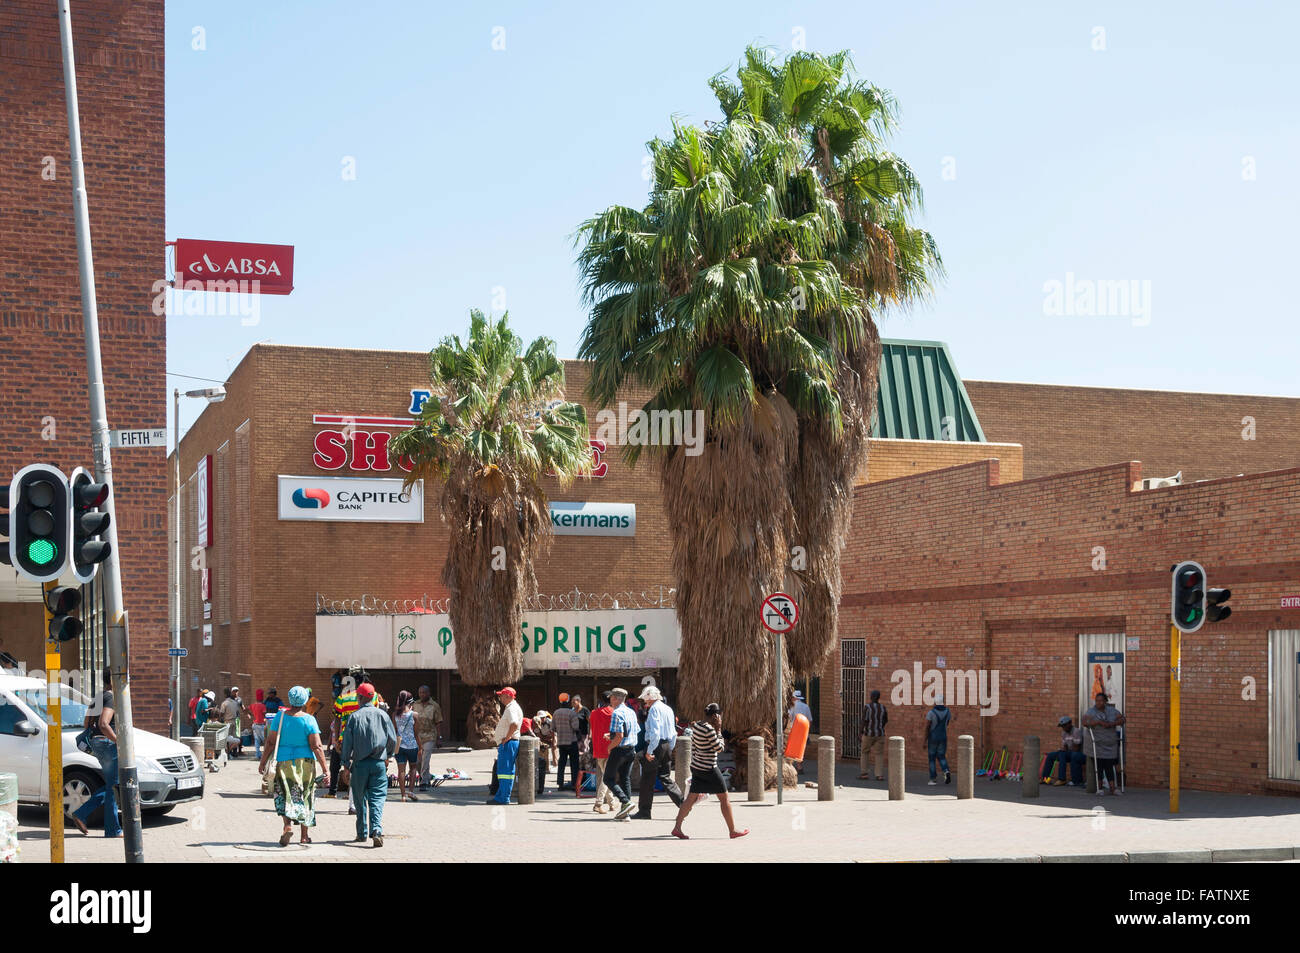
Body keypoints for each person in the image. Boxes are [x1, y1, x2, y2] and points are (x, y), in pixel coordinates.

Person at [259, 685, 329, 847]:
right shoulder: (309, 719)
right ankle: (304, 836)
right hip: (305, 764)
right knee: (305, 795)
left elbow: (270, 742)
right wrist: (326, 770)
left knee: (284, 794)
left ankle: (287, 826)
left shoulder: (280, 717)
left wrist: (263, 762)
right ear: (305, 700)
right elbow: (317, 746)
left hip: (283, 763)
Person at [670, 703, 748, 840]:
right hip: (709, 768)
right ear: (715, 716)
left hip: (697, 766)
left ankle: (677, 828)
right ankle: (733, 830)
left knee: (690, 798)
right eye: (719, 717)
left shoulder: (698, 726)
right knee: (724, 798)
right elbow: (720, 748)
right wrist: (719, 730)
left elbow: (695, 746)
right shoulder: (709, 730)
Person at [341, 683, 398, 846]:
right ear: (372, 697)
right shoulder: (383, 715)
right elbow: (392, 740)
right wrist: (388, 756)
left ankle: (362, 834)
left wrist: (345, 764)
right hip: (379, 764)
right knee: (377, 799)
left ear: (360, 698)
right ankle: (377, 831)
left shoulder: (354, 717)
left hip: (360, 765)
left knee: (360, 800)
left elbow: (347, 744)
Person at [70, 668, 121, 838]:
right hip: (107, 743)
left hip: (97, 743)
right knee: (113, 787)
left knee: (111, 785)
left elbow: (86, 724)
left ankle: (82, 814)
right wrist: (119, 742)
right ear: (113, 680)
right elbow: (104, 724)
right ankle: (112, 829)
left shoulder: (98, 696)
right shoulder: (111, 697)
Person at [632, 685, 683, 820]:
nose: (644, 701)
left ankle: (644, 811)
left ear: (650, 697)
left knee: (647, 779)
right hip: (666, 745)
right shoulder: (668, 709)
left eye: (645, 698)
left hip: (656, 746)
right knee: (665, 777)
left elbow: (655, 732)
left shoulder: (654, 709)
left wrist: (649, 750)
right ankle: (684, 804)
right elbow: (673, 732)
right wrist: (669, 748)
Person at [602, 687, 639, 819]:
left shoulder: (616, 713)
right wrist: (611, 736)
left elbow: (619, 736)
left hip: (619, 750)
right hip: (631, 749)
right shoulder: (631, 712)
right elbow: (633, 731)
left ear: (615, 698)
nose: (610, 701)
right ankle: (626, 812)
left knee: (608, 778)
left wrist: (610, 747)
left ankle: (625, 801)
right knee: (625, 779)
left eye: (611, 698)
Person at [1082, 692, 1126, 795]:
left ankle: (1112, 788)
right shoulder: (1091, 711)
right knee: (1099, 766)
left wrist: (1113, 723)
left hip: (1109, 743)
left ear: (1105, 701)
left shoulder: (1111, 710)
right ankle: (1099, 788)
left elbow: (1123, 719)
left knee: (1109, 765)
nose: (1099, 703)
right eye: (1097, 701)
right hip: (1096, 743)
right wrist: (1098, 722)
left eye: (1101, 701)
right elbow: (1084, 722)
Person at [487, 686, 523, 805]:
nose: (500, 698)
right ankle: (501, 796)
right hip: (510, 743)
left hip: (508, 743)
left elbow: (514, 724)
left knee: (504, 772)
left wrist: (506, 737)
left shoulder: (511, 708)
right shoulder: (512, 707)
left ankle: (503, 798)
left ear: (508, 696)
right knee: (506, 771)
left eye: (502, 695)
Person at [329, 678, 361, 800]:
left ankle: (347, 794)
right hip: (363, 739)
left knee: (346, 767)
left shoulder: (342, 698)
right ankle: (352, 794)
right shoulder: (371, 697)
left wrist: (336, 739)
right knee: (355, 767)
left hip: (345, 739)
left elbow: (337, 719)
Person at [412, 684, 443, 790]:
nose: (422, 694)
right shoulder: (415, 705)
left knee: (426, 758)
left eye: (424, 692)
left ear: (429, 693)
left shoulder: (435, 706)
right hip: (417, 736)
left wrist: (439, 738)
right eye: (420, 692)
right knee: (417, 761)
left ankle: (423, 782)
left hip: (430, 736)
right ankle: (426, 776)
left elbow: (438, 722)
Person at [589, 691, 615, 813]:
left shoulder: (593, 713)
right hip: (610, 748)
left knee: (606, 775)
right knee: (607, 777)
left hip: (598, 749)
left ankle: (612, 803)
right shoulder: (614, 713)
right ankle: (598, 803)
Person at [1041, 715, 1086, 786]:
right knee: (1051, 756)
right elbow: (1065, 747)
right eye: (1062, 726)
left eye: (1065, 725)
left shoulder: (1076, 731)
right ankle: (1045, 779)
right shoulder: (1064, 733)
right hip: (1069, 753)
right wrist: (1063, 750)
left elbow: (1076, 748)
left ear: (1070, 723)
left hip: (1079, 754)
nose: (1063, 728)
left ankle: (1062, 779)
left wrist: (1065, 751)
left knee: (1063, 754)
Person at [391, 690, 419, 801]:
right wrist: (420, 747)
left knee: (400, 770)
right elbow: (416, 733)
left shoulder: (394, 715)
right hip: (412, 746)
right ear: (410, 703)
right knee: (413, 768)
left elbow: (395, 730)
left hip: (399, 746)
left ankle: (402, 796)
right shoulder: (415, 715)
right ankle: (411, 792)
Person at [858, 689, 888, 781]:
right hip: (880, 734)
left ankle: (864, 773)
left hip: (868, 734)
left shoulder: (867, 707)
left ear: (872, 697)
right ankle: (879, 775)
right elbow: (885, 720)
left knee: (864, 752)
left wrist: (860, 732)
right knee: (879, 754)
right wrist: (880, 727)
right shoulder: (883, 707)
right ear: (878, 698)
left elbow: (864, 720)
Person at [924, 694, 953, 786]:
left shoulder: (931, 713)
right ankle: (946, 770)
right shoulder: (948, 711)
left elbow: (927, 727)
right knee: (941, 756)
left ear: (935, 702)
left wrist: (924, 740)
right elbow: (947, 723)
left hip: (933, 737)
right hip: (943, 737)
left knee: (932, 758)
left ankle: (933, 779)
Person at [787, 689, 813, 774]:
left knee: (791, 749)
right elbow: (810, 720)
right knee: (801, 749)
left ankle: (792, 767)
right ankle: (799, 766)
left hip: (793, 730)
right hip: (803, 731)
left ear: (794, 698)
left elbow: (789, 718)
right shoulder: (806, 706)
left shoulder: (792, 707)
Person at [250, 689, 268, 760]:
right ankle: (265, 755)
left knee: (256, 740)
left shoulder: (253, 705)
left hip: (255, 724)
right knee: (265, 740)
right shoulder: (263, 706)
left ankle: (257, 755)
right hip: (262, 725)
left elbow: (246, 710)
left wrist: (251, 715)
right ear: (262, 697)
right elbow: (265, 714)